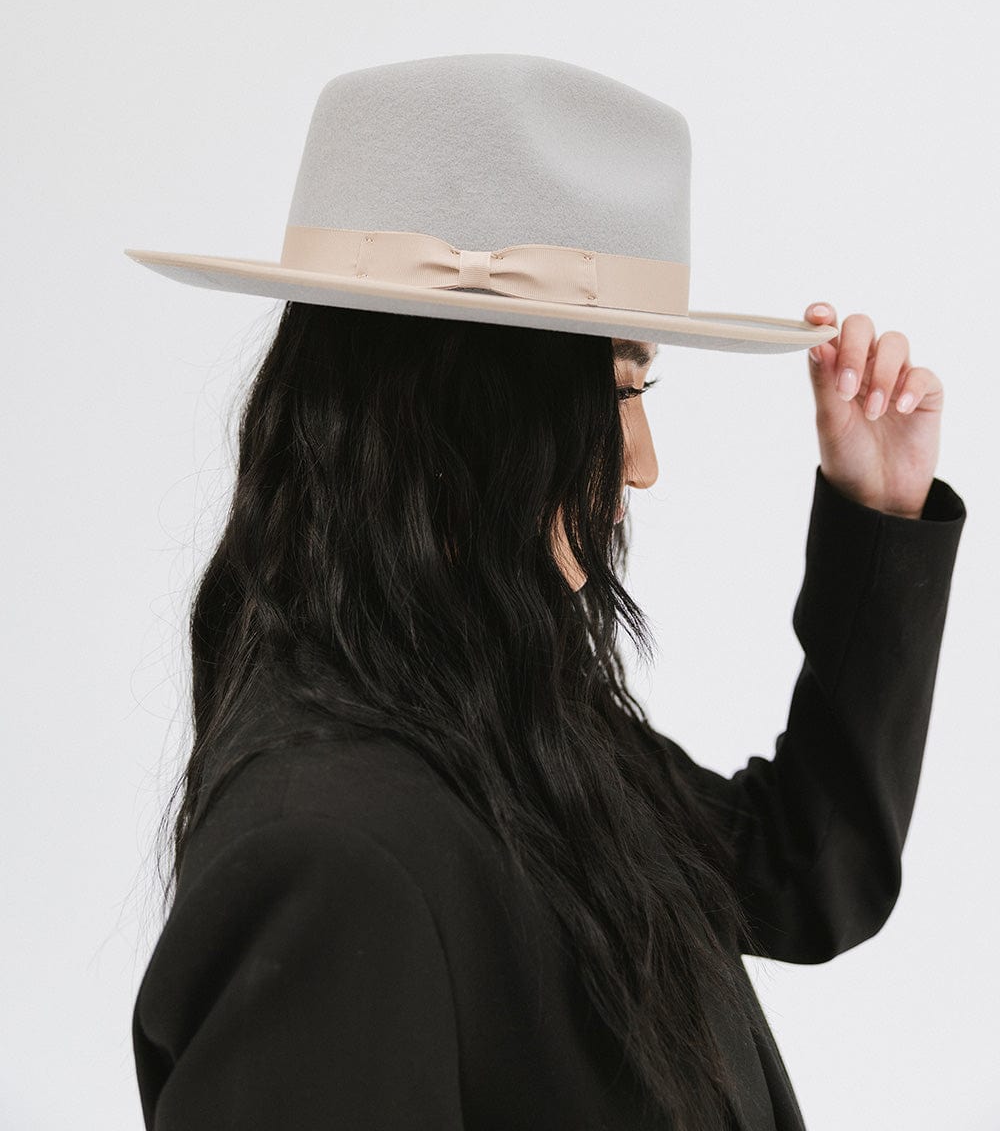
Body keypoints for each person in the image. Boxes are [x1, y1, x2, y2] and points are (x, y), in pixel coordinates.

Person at [125, 56, 967, 1131]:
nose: (644, 462)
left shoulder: (499, 715)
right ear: (462, 413)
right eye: (621, 390)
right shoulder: (334, 857)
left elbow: (806, 875)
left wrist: (879, 518)